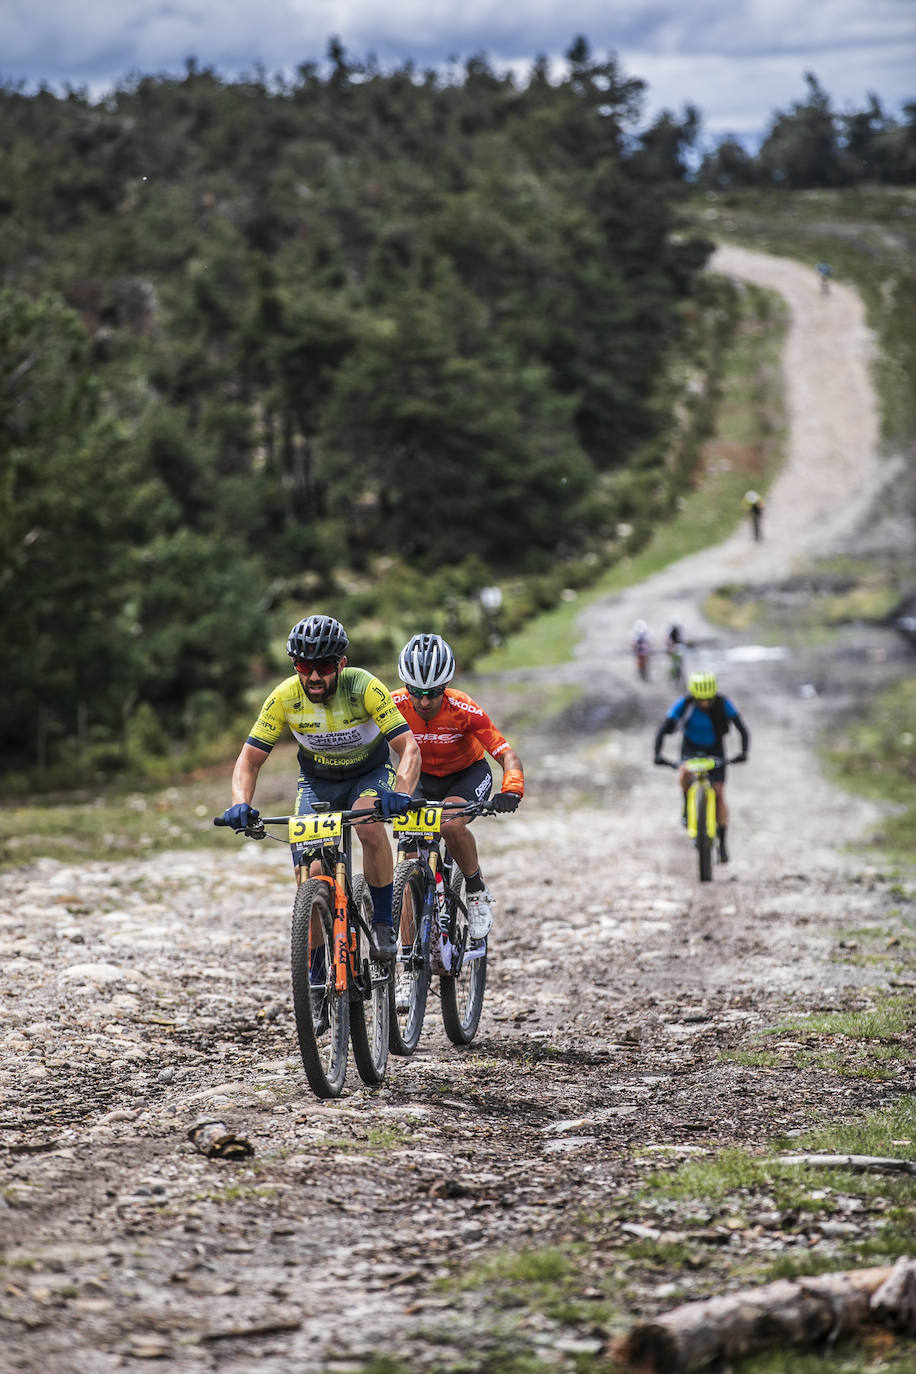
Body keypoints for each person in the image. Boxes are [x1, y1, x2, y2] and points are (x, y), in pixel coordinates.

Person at [221, 614, 421, 961]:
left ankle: (384, 923)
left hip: (368, 774)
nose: (313, 676)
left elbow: (409, 748)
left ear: (341, 663)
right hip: (318, 782)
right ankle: (313, 977)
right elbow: (249, 760)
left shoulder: (364, 687)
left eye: (325, 666)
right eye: (303, 665)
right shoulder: (284, 696)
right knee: (312, 873)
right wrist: (240, 803)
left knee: (369, 827)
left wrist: (401, 792)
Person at [391, 633, 525, 941]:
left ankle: (476, 891)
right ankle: (409, 963)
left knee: (449, 826)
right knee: (407, 849)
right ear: (405, 686)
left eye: (433, 692)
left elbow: (505, 753)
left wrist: (512, 789)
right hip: (419, 778)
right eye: (416, 691)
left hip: (465, 775)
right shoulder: (393, 704)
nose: (423, 701)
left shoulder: (462, 707)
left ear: (445, 686)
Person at [653, 669, 749, 863]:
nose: (705, 703)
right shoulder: (685, 703)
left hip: (716, 749)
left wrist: (743, 753)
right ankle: (686, 807)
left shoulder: (723, 703)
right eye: (700, 700)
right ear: (694, 696)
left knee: (719, 793)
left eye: (708, 700)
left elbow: (742, 729)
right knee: (684, 774)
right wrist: (657, 754)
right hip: (691, 748)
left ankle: (722, 844)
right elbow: (664, 728)